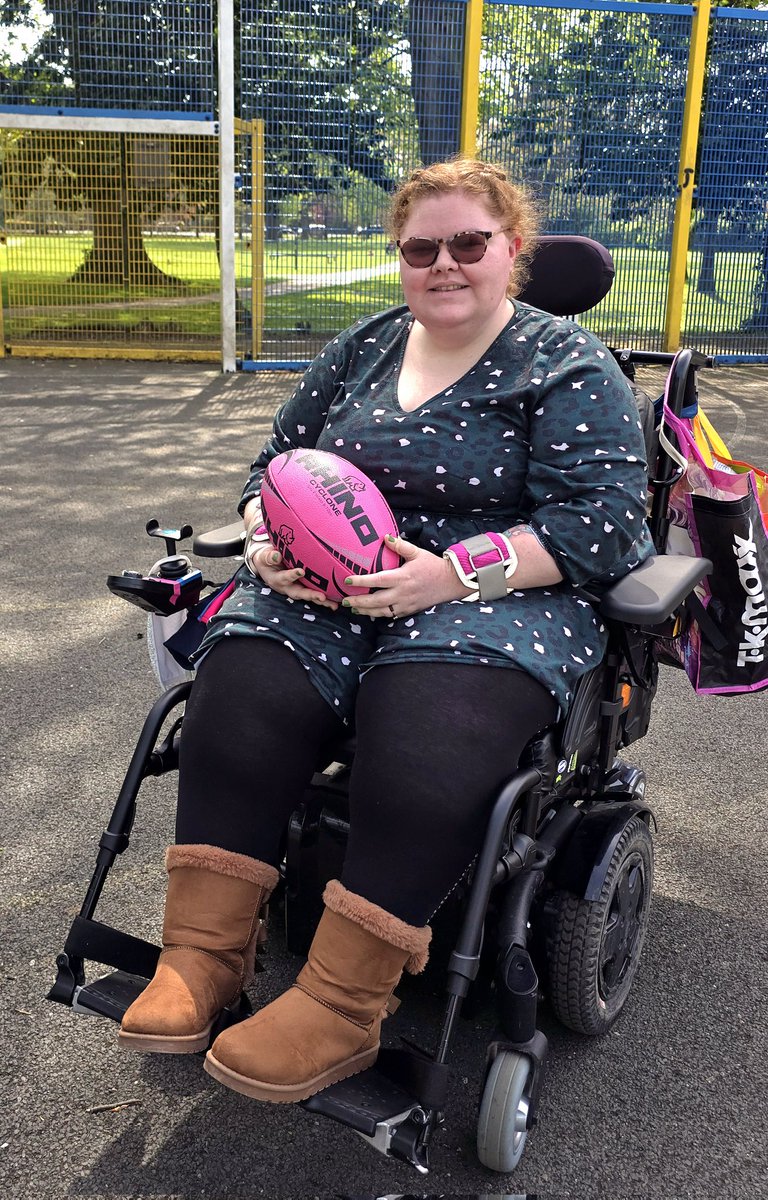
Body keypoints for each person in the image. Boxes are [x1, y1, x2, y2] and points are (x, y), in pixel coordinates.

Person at [118, 158, 653, 1102]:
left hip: (498, 597)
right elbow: (278, 462)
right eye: (421, 247)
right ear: (400, 256)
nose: (444, 264)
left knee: (425, 735)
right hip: (330, 585)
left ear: (511, 252)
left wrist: (447, 574)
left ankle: (338, 1005)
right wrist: (264, 544)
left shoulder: (569, 365)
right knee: (237, 687)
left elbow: (604, 526)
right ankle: (203, 957)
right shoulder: (364, 346)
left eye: (468, 244)